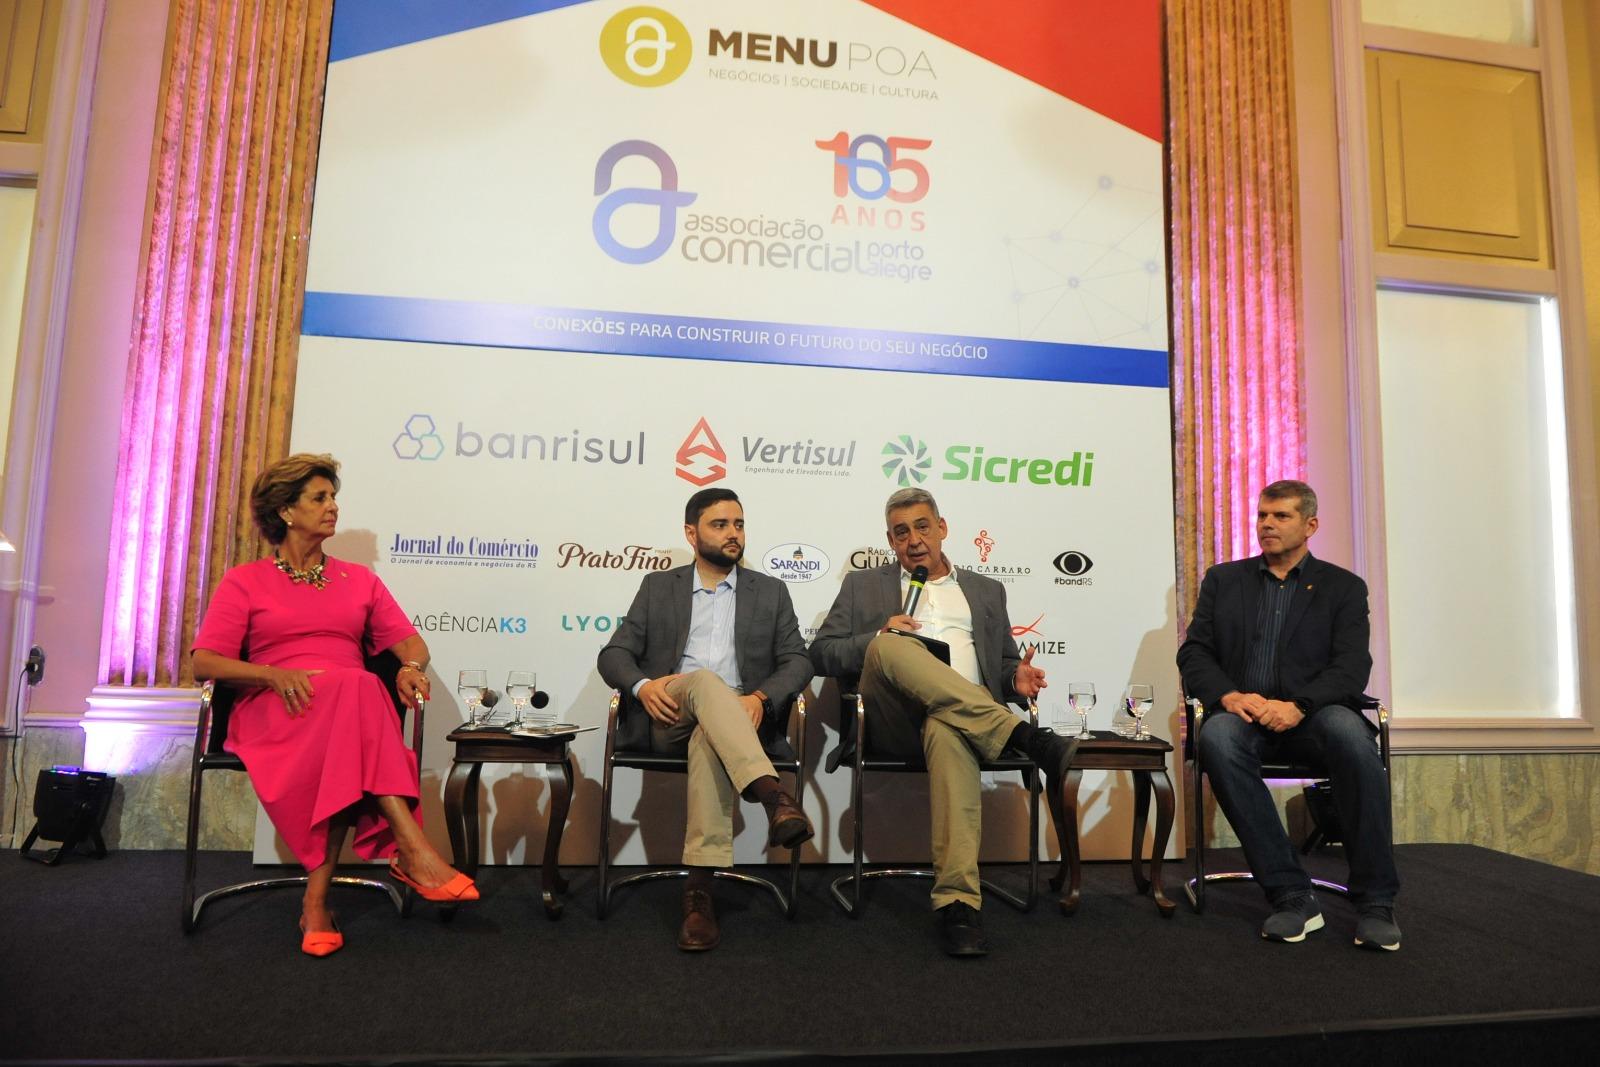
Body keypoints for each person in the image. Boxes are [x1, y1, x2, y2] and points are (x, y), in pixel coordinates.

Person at [192, 453, 477, 958]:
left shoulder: (359, 580)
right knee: (360, 690)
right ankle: (412, 849)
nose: (332, 507)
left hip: (346, 710)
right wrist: (273, 674)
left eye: (333, 497)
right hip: (276, 707)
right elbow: (206, 662)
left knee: (356, 693)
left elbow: (410, 644)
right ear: (285, 510)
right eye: (319, 498)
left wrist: (411, 668)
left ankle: (318, 900)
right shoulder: (246, 581)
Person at [810, 488, 1078, 957]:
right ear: (890, 542)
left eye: (922, 527)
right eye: (901, 532)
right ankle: (1023, 737)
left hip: (957, 723)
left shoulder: (985, 590)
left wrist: (1016, 680)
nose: (913, 540)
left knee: (948, 726)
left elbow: (1001, 667)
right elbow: (822, 653)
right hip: (891, 721)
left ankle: (958, 903)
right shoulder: (863, 586)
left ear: (943, 528)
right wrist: (878, 634)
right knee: (892, 644)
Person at [1177, 479, 1400, 950]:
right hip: (1245, 716)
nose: (1267, 525)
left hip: (1314, 715)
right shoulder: (1225, 580)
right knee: (1217, 737)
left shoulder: (1343, 588)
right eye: (1262, 515)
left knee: (1351, 737)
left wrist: (1299, 706)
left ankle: (1376, 900)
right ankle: (1291, 894)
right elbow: (1195, 653)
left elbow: (1351, 667)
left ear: (1310, 524)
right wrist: (1230, 696)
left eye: (1280, 516)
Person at [597, 488, 815, 951]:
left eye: (739, 524)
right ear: (691, 533)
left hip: (739, 721)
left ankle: (698, 893)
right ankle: (773, 795)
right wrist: (643, 685)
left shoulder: (771, 592)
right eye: (720, 525)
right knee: (702, 682)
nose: (733, 533)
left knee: (708, 738)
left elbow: (797, 661)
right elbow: (614, 653)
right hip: (671, 710)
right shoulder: (661, 587)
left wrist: (761, 696)